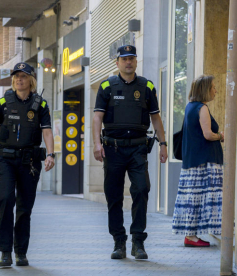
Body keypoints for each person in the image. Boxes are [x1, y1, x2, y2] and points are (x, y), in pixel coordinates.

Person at [92, 45, 168, 260]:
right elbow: (97, 117)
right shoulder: (106, 86)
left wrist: (163, 143)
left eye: (132, 58)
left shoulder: (146, 86)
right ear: (117, 62)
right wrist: (96, 144)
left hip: (137, 148)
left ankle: (138, 241)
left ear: (136, 61)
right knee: (114, 196)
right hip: (113, 148)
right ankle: (118, 241)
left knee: (142, 189)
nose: (128, 62)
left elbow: (156, 117)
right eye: (124, 59)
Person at [0, 62, 55, 267]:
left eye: (23, 76)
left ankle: (20, 251)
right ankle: (5, 251)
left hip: (29, 161)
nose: (19, 79)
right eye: (16, 76)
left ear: (30, 79)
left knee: (24, 207)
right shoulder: (4, 101)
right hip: (5, 159)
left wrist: (51, 154)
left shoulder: (40, 104)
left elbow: (47, 131)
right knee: (6, 201)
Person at [172, 75, 224, 247]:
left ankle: (190, 235)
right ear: (205, 90)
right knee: (200, 199)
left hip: (193, 161)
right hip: (204, 162)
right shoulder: (202, 108)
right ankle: (191, 237)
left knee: (192, 199)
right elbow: (208, 134)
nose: (216, 90)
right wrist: (221, 136)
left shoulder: (189, 107)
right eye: (213, 87)